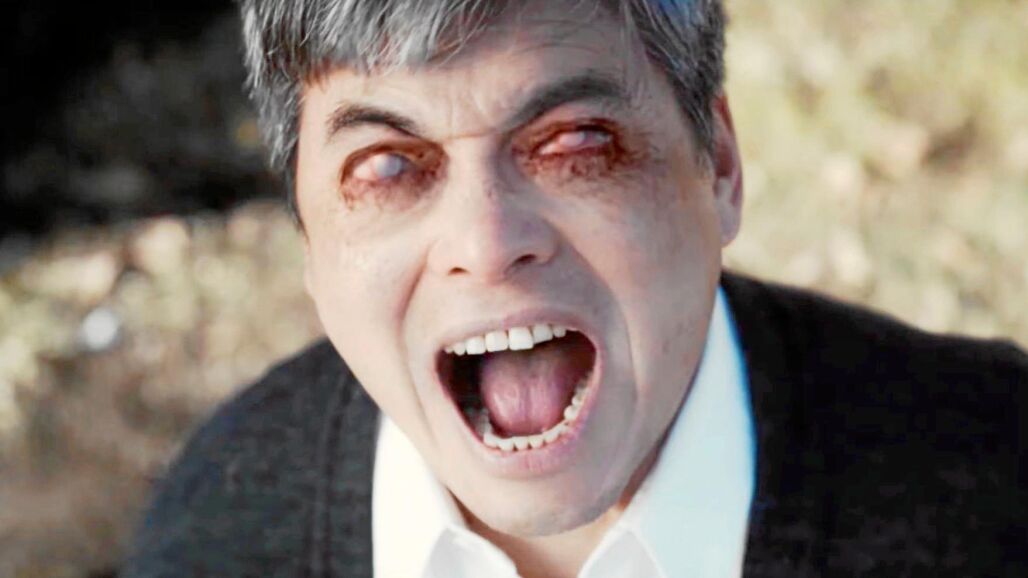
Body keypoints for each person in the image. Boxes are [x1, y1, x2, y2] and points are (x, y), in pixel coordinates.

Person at [122, 0, 1027, 576]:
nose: (486, 244)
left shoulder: (999, 481)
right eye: (390, 165)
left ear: (718, 166)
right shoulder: (214, 533)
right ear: (309, 238)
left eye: (577, 143)